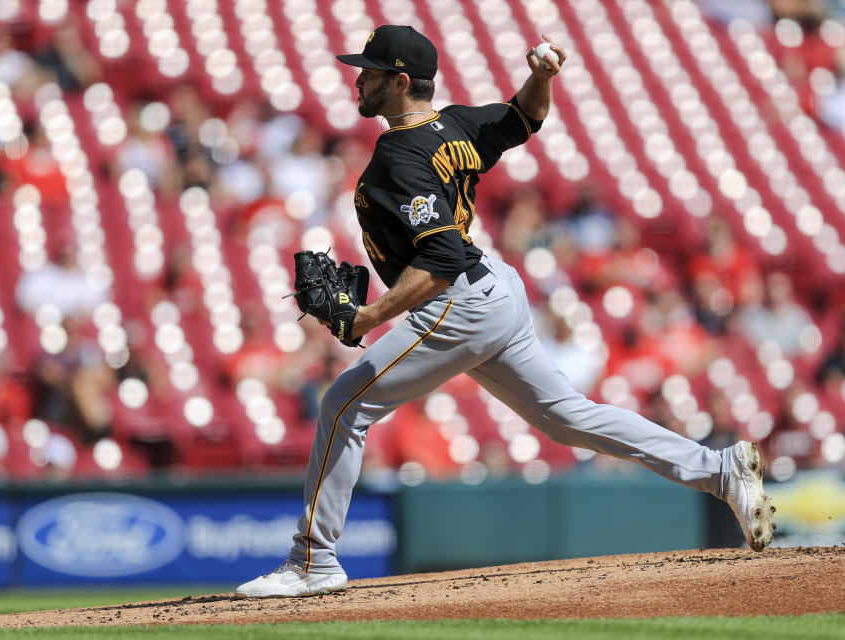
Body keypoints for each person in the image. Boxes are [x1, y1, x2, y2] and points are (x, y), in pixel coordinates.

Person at [236, 25, 776, 598]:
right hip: (495, 291)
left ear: (399, 82)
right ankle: (721, 471)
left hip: (460, 300)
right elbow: (525, 117)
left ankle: (312, 560)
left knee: (342, 404)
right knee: (568, 417)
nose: (358, 78)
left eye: (368, 71)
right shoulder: (456, 125)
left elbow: (440, 259)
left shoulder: (400, 158)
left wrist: (368, 318)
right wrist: (541, 78)